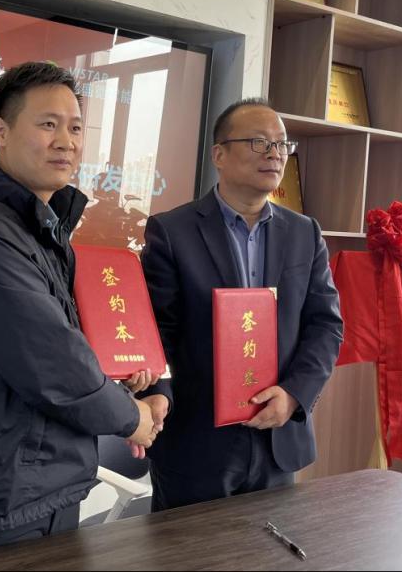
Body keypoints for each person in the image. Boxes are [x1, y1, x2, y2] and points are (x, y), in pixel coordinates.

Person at [0, 62, 159, 561]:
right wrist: (130, 416)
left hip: (39, 483)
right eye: (48, 124)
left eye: (75, 128)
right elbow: (51, 363)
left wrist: (122, 377)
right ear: (1, 132)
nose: (66, 142)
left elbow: (64, 341)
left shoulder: (38, 228)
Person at [138, 98, 343, 510]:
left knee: (272, 544)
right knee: (190, 546)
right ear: (219, 155)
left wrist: (294, 394)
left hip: (277, 439)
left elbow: (325, 325)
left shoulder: (304, 233)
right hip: (196, 441)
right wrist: (158, 394)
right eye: (259, 142)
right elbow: (158, 331)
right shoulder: (173, 231)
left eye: (281, 144)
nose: (274, 154)